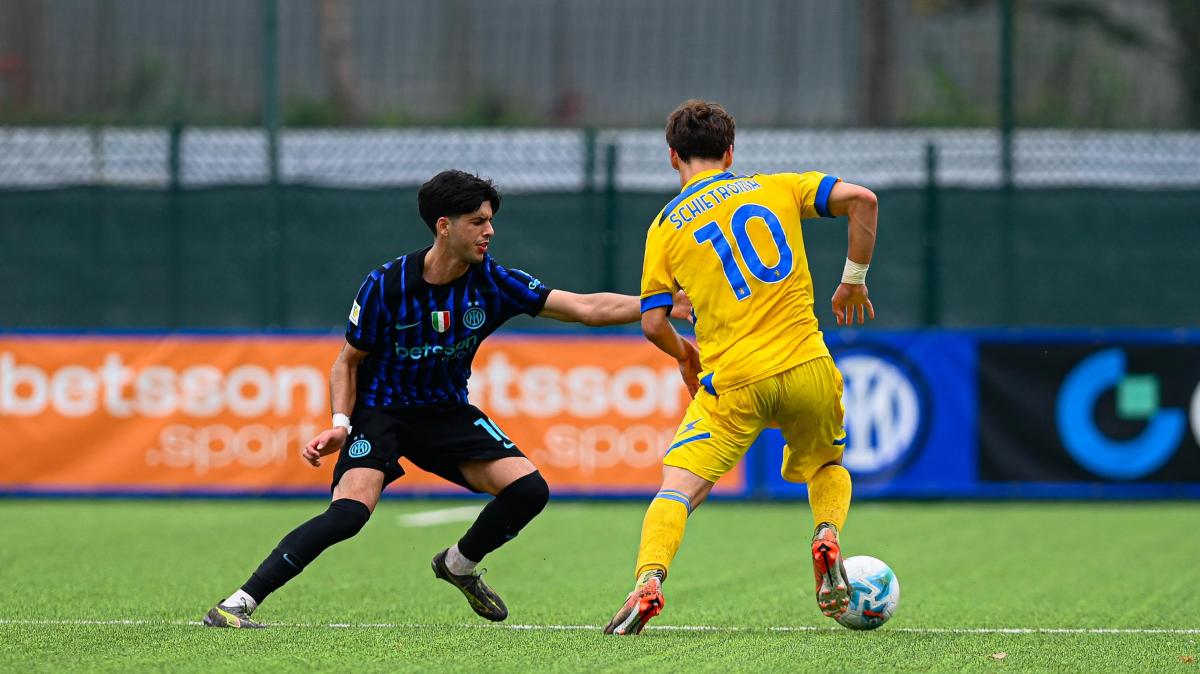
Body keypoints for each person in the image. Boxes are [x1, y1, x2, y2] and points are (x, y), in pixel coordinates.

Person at [203, 169, 690, 628]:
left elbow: (585, 307)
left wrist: (659, 302)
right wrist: (340, 422)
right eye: (478, 221)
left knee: (529, 491)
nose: (489, 231)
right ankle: (236, 603)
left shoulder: (493, 281)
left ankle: (458, 564)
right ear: (444, 226)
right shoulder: (386, 285)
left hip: (445, 412)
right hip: (381, 412)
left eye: (491, 221)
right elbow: (347, 362)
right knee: (349, 513)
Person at [604, 100, 879, 635]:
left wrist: (687, 355)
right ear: (730, 152)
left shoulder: (663, 227)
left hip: (734, 381)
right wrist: (854, 278)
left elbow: (653, 323)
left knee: (677, 490)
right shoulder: (777, 186)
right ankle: (826, 532)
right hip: (807, 366)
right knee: (826, 465)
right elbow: (862, 200)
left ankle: (649, 580)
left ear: (672, 157)